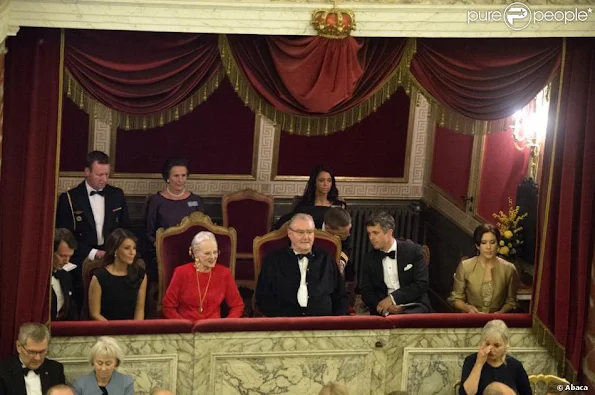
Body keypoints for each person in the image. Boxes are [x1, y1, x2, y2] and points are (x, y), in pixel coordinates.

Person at [55, 151, 130, 312]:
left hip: (112, 253)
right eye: (99, 174)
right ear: (87, 172)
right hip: (81, 255)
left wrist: (116, 251)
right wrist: (94, 253)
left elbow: (125, 229)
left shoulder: (116, 195)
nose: (104, 179)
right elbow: (65, 237)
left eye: (106, 174)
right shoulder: (69, 198)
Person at [256, 213, 348, 317]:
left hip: (322, 325)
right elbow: (263, 297)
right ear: (290, 233)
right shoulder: (273, 261)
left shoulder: (326, 259)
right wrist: (281, 321)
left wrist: (334, 323)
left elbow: (341, 296)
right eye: (300, 232)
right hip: (284, 326)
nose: (306, 237)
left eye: (309, 232)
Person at [359, 212, 431, 315]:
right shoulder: (369, 258)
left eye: (375, 233)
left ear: (389, 233)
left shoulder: (414, 251)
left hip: (413, 305)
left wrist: (393, 298)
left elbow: (421, 284)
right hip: (383, 308)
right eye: (369, 233)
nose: (371, 238)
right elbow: (366, 292)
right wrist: (386, 307)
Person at [162, 231, 244, 320]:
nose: (213, 257)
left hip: (214, 329)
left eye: (215, 252)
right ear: (196, 254)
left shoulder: (224, 273)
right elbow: (168, 307)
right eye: (207, 253)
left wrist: (226, 324)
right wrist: (183, 325)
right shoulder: (181, 273)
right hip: (186, 329)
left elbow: (237, 305)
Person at [145, 158, 204, 280]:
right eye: (176, 176)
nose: (180, 180)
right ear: (167, 177)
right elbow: (148, 232)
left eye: (183, 175)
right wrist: (161, 246)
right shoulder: (156, 201)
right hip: (164, 253)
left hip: (191, 253)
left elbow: (203, 230)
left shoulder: (196, 200)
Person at [448, 224, 519, 314]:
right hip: (471, 321)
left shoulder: (509, 269)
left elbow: (511, 301)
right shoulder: (465, 266)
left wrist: (501, 313)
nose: (488, 247)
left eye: (492, 242)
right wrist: (468, 308)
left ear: (498, 244)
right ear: (478, 246)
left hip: (498, 322)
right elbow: (456, 299)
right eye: (484, 243)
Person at [459, 320, 531, 395]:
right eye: (487, 344)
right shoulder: (471, 361)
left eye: (496, 345)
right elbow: (466, 393)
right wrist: (479, 363)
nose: (490, 349)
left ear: (505, 344)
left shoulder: (515, 366)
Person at [89, 229, 147, 320]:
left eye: (134, 248)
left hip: (131, 329)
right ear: (115, 250)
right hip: (106, 329)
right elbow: (95, 314)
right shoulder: (99, 277)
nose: (132, 253)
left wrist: (135, 331)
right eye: (127, 248)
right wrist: (114, 331)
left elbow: (139, 310)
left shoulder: (140, 275)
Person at [0, 323, 65, 395]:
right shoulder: (3, 371)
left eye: (42, 351)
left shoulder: (55, 369)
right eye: (31, 352)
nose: (37, 358)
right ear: (18, 346)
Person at [275, 164, 346, 229]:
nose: (326, 184)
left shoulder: (338, 205)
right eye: (321, 180)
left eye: (329, 180)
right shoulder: (304, 206)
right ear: (314, 182)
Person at [51, 229, 78, 321]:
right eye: (62, 256)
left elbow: (71, 310)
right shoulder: (38, 278)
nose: (67, 261)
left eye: (70, 256)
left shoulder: (66, 276)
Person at [322, 207, 353, 278]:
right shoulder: (311, 225)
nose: (348, 234)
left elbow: (347, 248)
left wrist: (341, 262)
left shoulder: (346, 227)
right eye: (343, 233)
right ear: (328, 228)